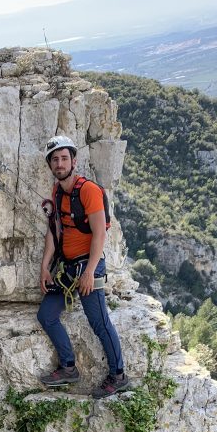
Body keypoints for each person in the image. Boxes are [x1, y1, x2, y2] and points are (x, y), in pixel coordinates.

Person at [37, 135, 130, 399]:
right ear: (50, 165)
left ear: (74, 161)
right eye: (55, 159)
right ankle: (68, 367)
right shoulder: (57, 192)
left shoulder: (88, 191)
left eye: (64, 158)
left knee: (99, 321)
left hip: (89, 265)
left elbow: (100, 234)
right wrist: (45, 268)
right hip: (68, 268)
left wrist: (90, 272)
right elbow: (54, 232)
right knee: (47, 315)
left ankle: (119, 375)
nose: (60, 163)